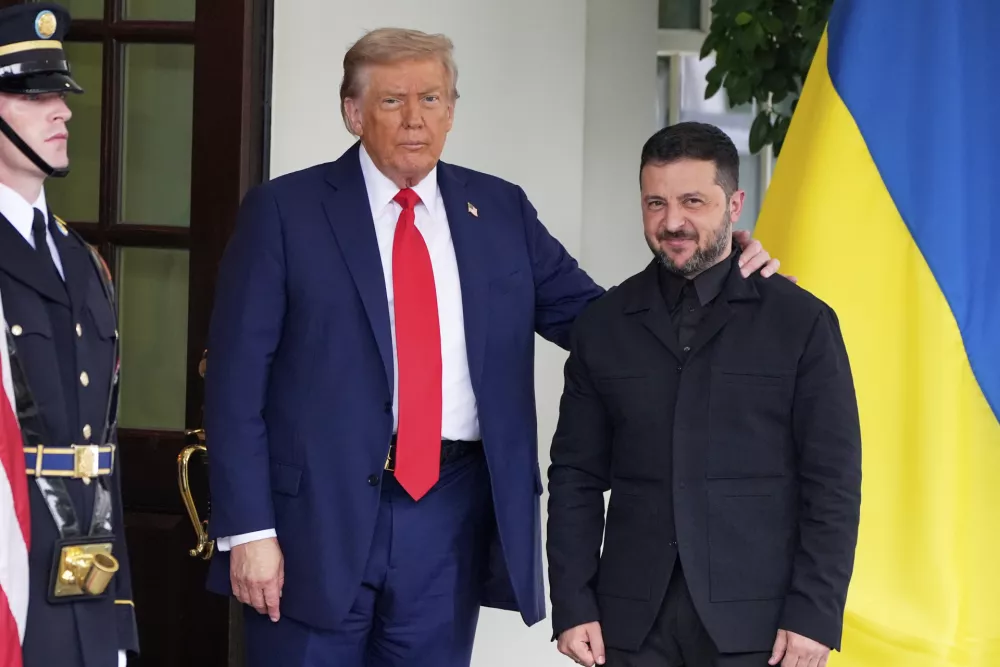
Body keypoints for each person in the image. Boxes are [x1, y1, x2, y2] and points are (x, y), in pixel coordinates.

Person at [204, 29, 781, 667]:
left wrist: (718, 264)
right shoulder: (284, 212)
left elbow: (604, 323)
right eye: (394, 100)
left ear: (452, 110)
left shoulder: (499, 209)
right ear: (352, 112)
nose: (416, 118)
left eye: (432, 98)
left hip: (449, 513)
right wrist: (250, 532)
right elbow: (234, 386)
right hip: (313, 520)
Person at [546, 121, 862, 667]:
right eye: (655, 203)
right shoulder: (602, 325)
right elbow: (574, 476)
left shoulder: (802, 323)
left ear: (735, 203)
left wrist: (814, 612)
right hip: (629, 625)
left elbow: (833, 481)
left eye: (694, 201)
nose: (672, 222)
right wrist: (572, 602)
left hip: (760, 627)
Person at [0, 4, 138, 667]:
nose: (63, 111)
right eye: (35, 94)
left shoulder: (84, 261)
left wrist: (115, 620)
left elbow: (96, 453)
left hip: (83, 573)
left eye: (61, 92)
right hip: (10, 565)